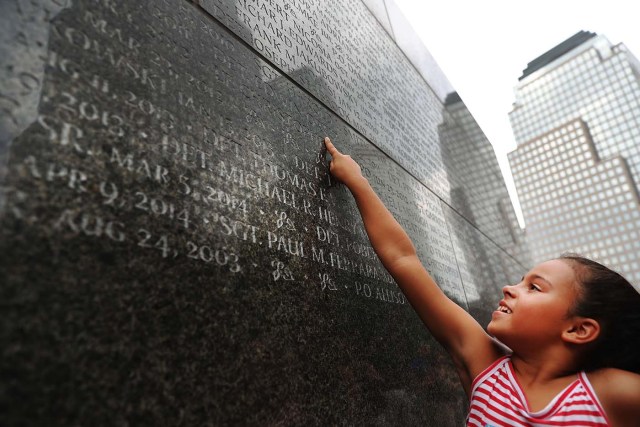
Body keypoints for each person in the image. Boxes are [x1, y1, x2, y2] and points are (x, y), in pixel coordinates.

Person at [323, 137, 640, 427]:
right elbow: (403, 260)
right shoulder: (485, 369)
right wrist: (357, 180)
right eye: (520, 280)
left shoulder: (611, 395)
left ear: (578, 329)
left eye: (534, 287)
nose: (509, 288)